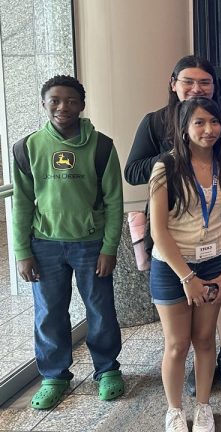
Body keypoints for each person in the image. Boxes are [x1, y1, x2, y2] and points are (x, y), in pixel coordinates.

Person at [126, 55, 221, 394]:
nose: (196, 88)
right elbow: (132, 170)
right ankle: (192, 365)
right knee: (180, 322)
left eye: (205, 82)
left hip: (219, 221)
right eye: (188, 81)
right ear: (173, 84)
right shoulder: (156, 122)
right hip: (175, 226)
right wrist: (179, 154)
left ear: (215, 87)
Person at [13, 75, 124, 410]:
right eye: (55, 100)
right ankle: (54, 376)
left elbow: (114, 201)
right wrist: (22, 251)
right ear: (44, 103)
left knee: (101, 310)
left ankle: (107, 370)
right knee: (49, 313)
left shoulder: (102, 146)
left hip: (91, 245)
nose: (63, 107)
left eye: (71, 101)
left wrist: (108, 248)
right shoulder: (27, 147)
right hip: (44, 245)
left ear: (82, 105)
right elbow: (21, 203)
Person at [149, 97, 221, 431]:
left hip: (213, 261)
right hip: (173, 267)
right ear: (185, 129)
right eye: (199, 123)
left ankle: (203, 406)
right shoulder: (167, 167)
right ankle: (174, 409)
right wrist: (187, 277)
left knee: (204, 340)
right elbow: (157, 230)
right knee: (177, 343)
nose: (208, 130)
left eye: (214, 122)